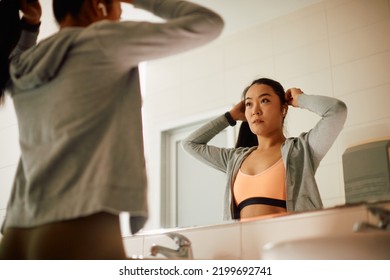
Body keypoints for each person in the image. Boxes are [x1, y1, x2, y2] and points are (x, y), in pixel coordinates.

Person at [0, 0, 224, 259]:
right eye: (118, 8)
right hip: (77, 225)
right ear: (98, 6)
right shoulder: (99, 39)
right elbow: (207, 24)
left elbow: (12, 60)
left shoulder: (26, 63)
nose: (118, 18)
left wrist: (30, 25)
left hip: (16, 234)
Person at [182, 77, 347, 222]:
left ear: (284, 109)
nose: (255, 110)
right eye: (248, 104)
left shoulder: (302, 150)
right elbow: (190, 143)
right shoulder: (234, 159)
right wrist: (229, 117)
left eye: (264, 100)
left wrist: (300, 99)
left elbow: (336, 111)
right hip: (245, 253)